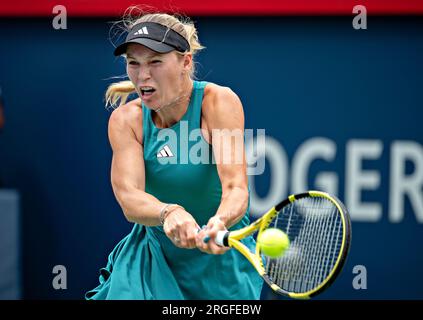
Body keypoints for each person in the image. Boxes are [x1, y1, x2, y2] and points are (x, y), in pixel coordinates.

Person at [85, 10, 263, 300]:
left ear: (185, 61)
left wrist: (220, 221)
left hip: (221, 265)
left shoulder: (218, 102)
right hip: (150, 264)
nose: (143, 75)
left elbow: (236, 188)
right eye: (134, 63)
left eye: (155, 62)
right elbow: (129, 197)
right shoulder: (125, 121)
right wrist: (168, 212)